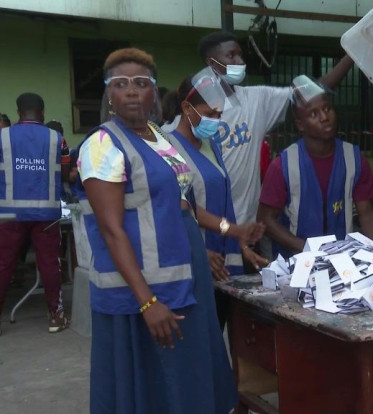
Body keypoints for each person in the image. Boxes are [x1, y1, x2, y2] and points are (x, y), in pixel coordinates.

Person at [77, 47, 263, 413]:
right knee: (152, 384)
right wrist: (147, 301)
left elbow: (184, 204)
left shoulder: (159, 139)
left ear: (153, 93)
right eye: (121, 84)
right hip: (144, 288)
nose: (131, 91)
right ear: (109, 96)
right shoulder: (102, 145)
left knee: (185, 380)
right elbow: (111, 229)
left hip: (183, 278)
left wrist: (232, 229)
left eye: (141, 83)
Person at [163, 32, 354, 233]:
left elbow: (314, 90)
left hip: (244, 227)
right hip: (203, 228)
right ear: (212, 63)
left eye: (240, 55)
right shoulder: (189, 116)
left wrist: (353, 54)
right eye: (231, 56)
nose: (240, 61)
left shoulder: (256, 100)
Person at [164, 67, 270, 329]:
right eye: (210, 114)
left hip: (224, 264)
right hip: (193, 262)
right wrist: (199, 250)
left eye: (219, 115)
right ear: (187, 109)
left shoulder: (213, 146)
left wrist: (240, 242)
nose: (215, 120)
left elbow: (224, 202)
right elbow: (175, 209)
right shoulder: (167, 149)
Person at [257, 75, 373, 257]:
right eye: (313, 114)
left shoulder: (354, 158)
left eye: (327, 109)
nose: (324, 117)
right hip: (296, 264)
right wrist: (308, 249)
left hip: (342, 263)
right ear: (300, 125)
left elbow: (367, 213)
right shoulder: (283, 165)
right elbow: (265, 219)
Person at [0, 93, 70, 335]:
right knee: (50, 263)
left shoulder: (2, 137)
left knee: (3, 264)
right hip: (46, 212)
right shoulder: (57, 139)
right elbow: (65, 172)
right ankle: (56, 316)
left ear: (19, 113)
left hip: (9, 212)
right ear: (42, 112)